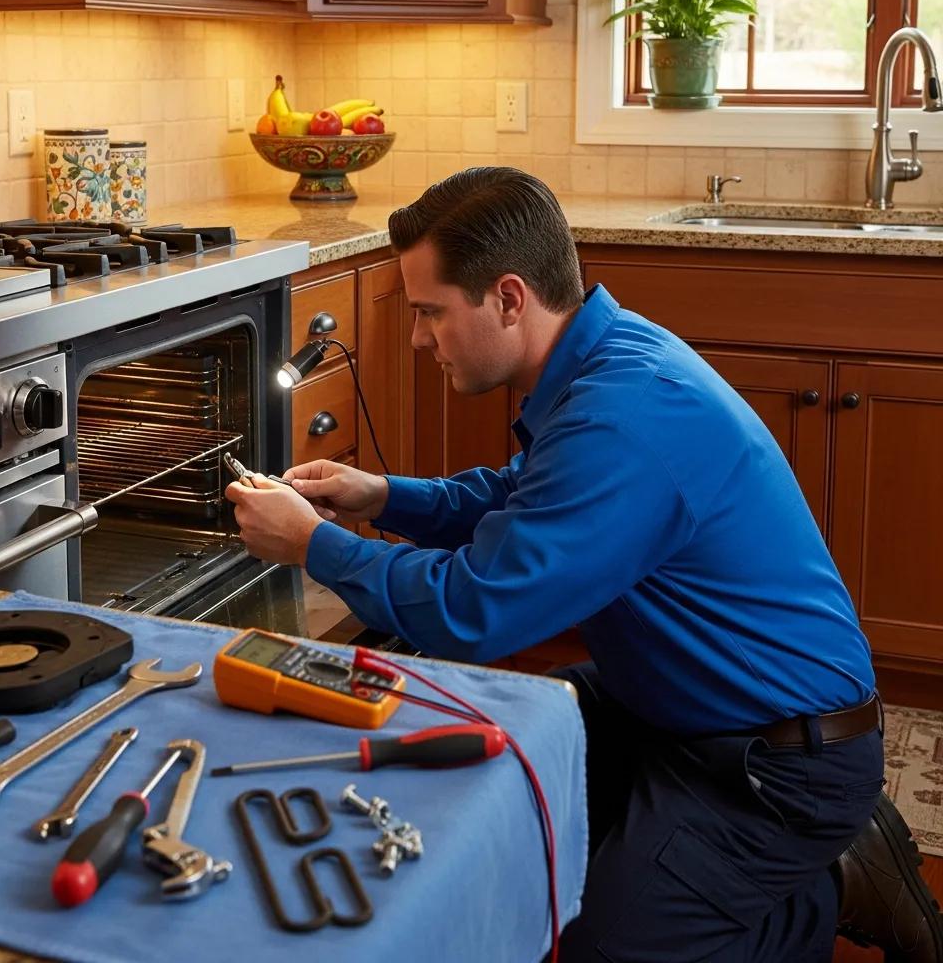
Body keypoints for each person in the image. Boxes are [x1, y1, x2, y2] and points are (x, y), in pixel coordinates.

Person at [225, 167, 943, 962]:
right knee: (500, 741)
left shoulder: (625, 415)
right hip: (675, 703)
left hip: (775, 763)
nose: (419, 339)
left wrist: (312, 544)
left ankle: (835, 881)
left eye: (429, 313)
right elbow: (529, 495)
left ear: (507, 298)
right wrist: (383, 495)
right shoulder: (603, 356)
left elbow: (475, 612)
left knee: (611, 949)